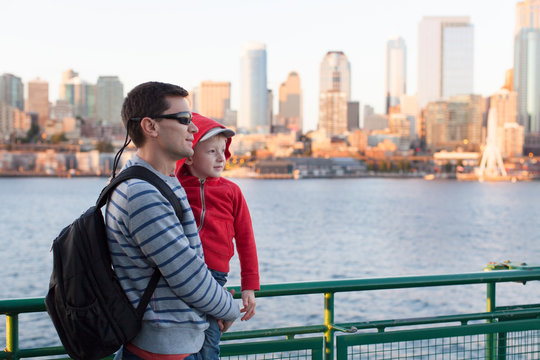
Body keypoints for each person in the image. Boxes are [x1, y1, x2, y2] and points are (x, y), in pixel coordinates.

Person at [105, 82, 240, 360]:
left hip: (171, 346)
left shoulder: (160, 181)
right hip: (159, 351)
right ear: (150, 127)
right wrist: (228, 308)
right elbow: (188, 276)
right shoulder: (141, 193)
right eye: (183, 120)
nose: (193, 128)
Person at [175, 114, 260, 360]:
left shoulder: (232, 191)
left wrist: (249, 287)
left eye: (223, 150)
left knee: (210, 339)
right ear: (190, 155)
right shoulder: (174, 185)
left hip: (215, 276)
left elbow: (246, 241)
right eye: (211, 151)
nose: (221, 157)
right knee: (184, 340)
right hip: (182, 274)